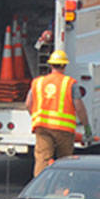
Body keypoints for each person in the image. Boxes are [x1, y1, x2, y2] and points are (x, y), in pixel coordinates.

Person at [28, 48, 85, 176]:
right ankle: (62, 186)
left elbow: (28, 103)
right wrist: (86, 127)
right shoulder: (70, 83)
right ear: (64, 66)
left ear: (50, 65)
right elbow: (79, 107)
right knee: (65, 161)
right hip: (63, 130)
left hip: (42, 128)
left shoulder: (38, 82)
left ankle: (40, 186)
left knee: (42, 160)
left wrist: (35, 116)